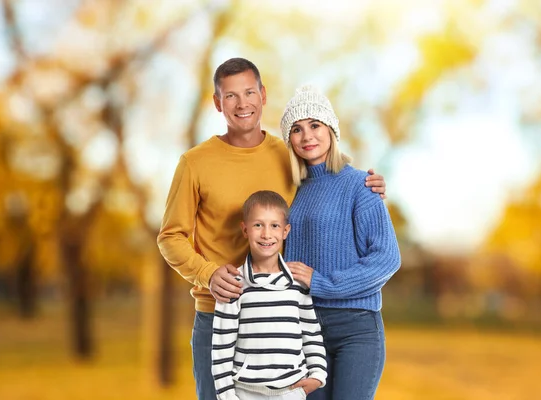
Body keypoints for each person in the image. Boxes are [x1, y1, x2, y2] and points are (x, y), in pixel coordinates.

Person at [157, 57, 386, 400]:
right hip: (219, 314)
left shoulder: (287, 154)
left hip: (280, 315)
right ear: (218, 103)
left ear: (263, 95)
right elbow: (170, 237)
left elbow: (330, 184)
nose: (242, 103)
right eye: (231, 96)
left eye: (249, 92)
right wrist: (206, 273)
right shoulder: (195, 162)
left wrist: (371, 187)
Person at [280, 86, 401, 400]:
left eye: (315, 125)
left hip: (356, 329)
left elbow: (387, 258)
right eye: (296, 129)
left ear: (331, 130)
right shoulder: (289, 193)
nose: (307, 135)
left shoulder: (361, 185)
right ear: (289, 140)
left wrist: (321, 282)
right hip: (303, 330)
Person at [212, 190, 326, 400]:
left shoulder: (298, 284)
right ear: (245, 229)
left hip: (292, 391)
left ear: (285, 231)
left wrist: (318, 374)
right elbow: (222, 344)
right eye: (258, 225)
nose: (266, 234)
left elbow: (311, 333)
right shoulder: (233, 284)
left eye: (274, 225)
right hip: (244, 392)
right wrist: (226, 394)